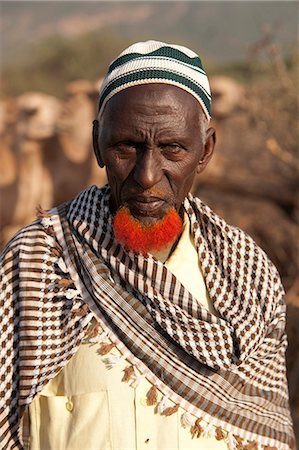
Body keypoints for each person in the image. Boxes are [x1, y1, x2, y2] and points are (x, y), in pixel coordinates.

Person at [0, 40, 295, 450]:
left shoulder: (248, 276)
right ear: (97, 143)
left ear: (205, 150)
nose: (147, 175)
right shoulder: (37, 264)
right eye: (127, 147)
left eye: (172, 148)